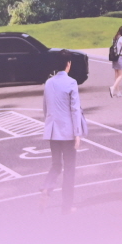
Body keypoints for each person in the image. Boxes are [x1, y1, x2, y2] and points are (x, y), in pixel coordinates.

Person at [42, 50, 86, 213]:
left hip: (52, 131)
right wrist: (77, 133)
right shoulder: (71, 83)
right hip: (67, 132)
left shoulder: (48, 83)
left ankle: (47, 187)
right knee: (69, 169)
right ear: (69, 64)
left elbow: (45, 107)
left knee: (56, 164)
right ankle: (66, 206)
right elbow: (75, 109)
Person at [108, 25, 122, 97]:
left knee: (116, 74)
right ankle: (113, 87)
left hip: (114, 57)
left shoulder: (115, 38)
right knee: (121, 75)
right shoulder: (121, 38)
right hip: (119, 57)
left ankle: (118, 92)